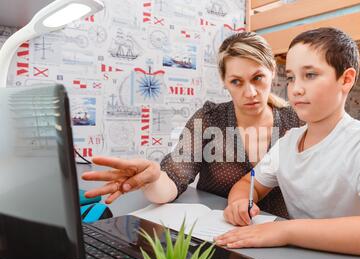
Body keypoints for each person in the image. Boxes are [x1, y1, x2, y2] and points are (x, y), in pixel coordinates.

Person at [216, 27, 360, 257]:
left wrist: (285, 231)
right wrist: (239, 203)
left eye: (310, 75)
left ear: (346, 79)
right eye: (291, 78)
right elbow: (249, 183)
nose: (296, 89)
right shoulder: (287, 144)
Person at [82, 32, 300, 217]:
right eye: (236, 81)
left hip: (283, 240)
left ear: (272, 71)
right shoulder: (209, 119)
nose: (250, 92)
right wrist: (153, 180)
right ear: (224, 81)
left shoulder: (297, 120)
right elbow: (173, 178)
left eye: (257, 78)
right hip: (222, 235)